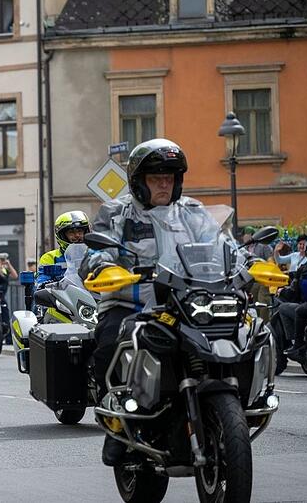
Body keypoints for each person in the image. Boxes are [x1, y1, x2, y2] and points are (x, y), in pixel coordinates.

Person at [79, 139, 219, 467]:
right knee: (109, 342)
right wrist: (104, 264)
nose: (163, 184)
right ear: (139, 181)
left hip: (184, 304)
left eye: (169, 177)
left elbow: (219, 244)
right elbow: (94, 253)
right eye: (156, 177)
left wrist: (242, 263)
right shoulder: (117, 212)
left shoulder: (193, 214)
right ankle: (116, 425)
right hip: (132, 304)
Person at [37, 211, 91, 287]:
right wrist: (43, 285)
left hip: (93, 296)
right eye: (71, 232)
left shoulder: (94, 254)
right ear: (62, 235)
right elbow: (42, 282)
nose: (77, 235)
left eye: (80, 231)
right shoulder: (50, 258)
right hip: (63, 297)